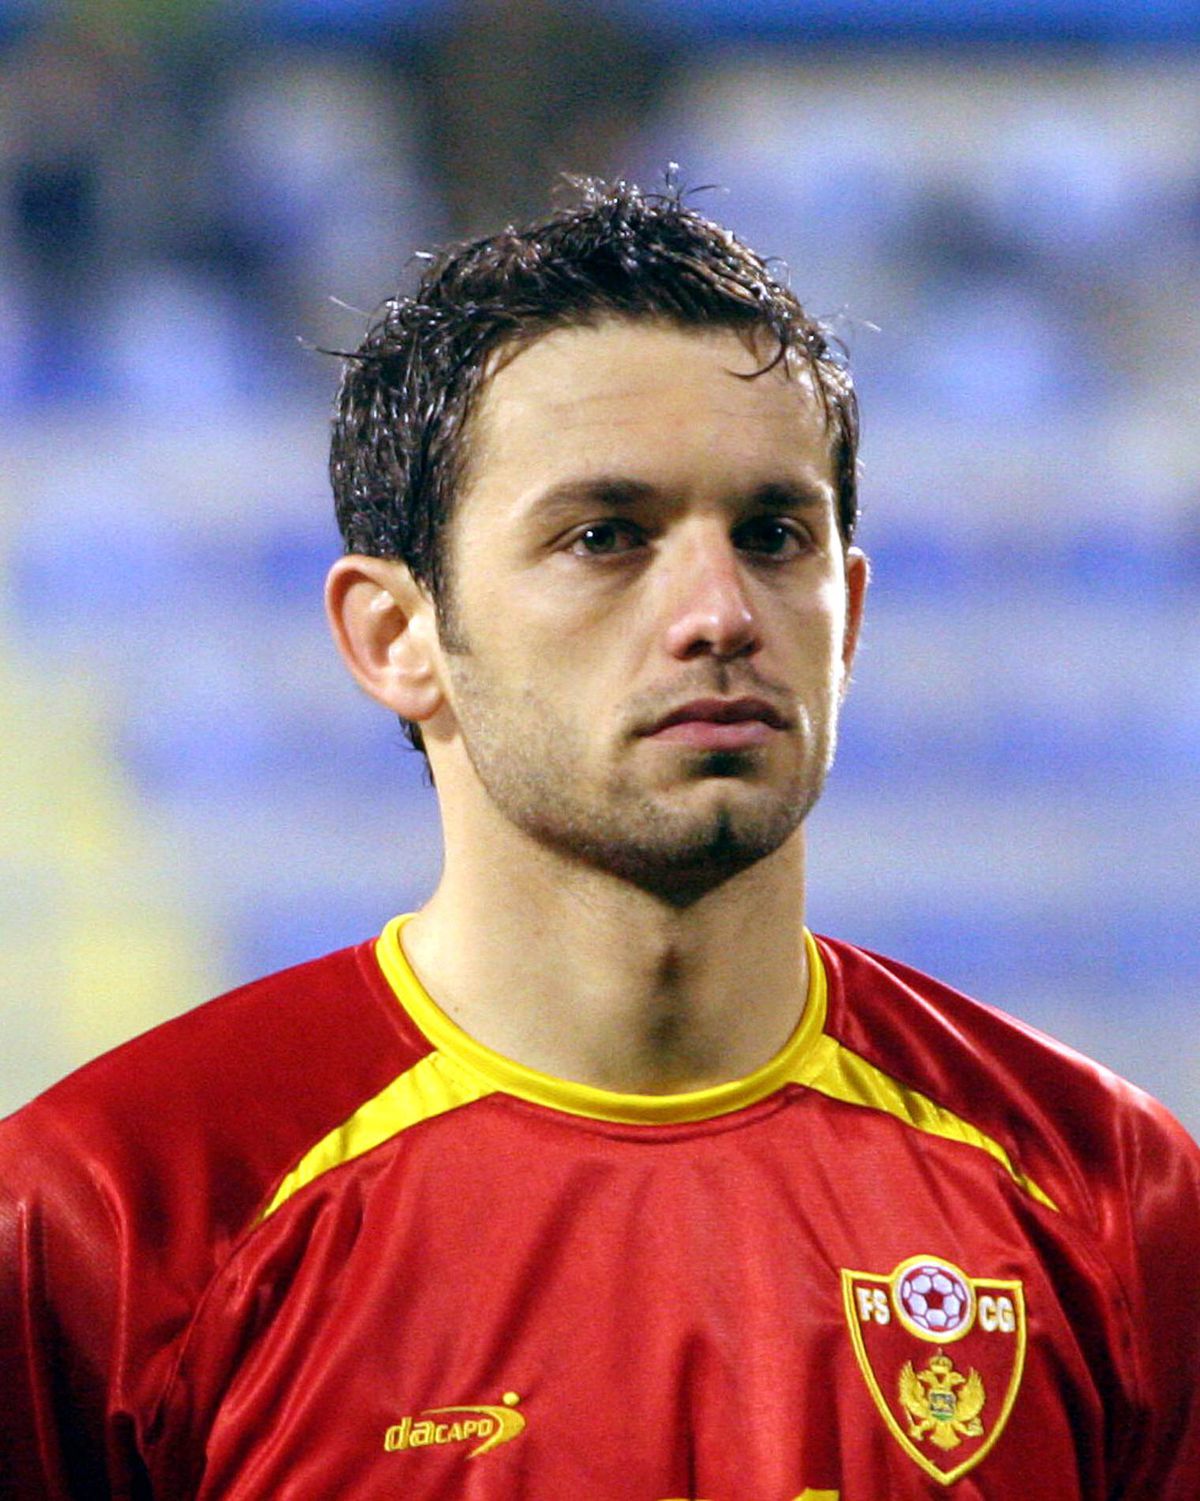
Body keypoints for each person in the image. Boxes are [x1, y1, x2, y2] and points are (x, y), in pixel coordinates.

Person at [1, 179, 1198, 1501]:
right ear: (396, 637)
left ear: (849, 615)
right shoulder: (113, 1220)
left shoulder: (1108, 1196)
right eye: (606, 537)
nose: (720, 613)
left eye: (774, 536)